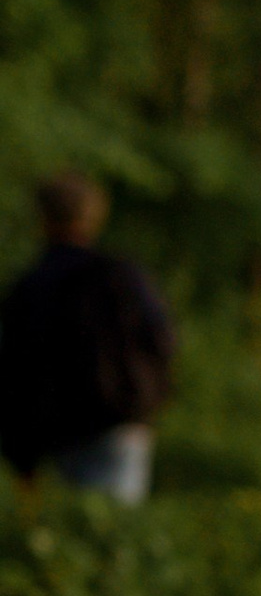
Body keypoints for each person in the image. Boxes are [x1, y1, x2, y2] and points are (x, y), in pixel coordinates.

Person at [0, 170, 176, 503]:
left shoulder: (30, 287)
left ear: (42, 217)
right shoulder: (121, 278)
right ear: (93, 216)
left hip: (57, 435)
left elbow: (14, 373)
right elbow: (162, 340)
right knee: (114, 536)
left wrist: (21, 459)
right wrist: (149, 402)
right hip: (120, 425)